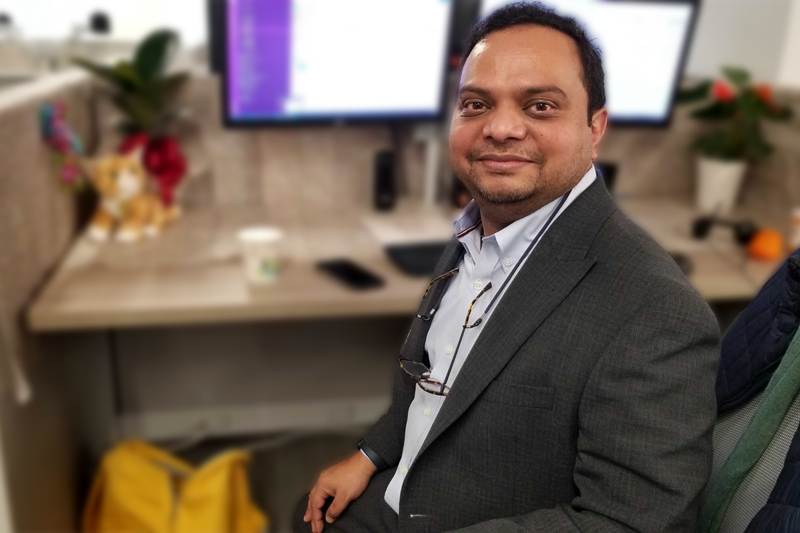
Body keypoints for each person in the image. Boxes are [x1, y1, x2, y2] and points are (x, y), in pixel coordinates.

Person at [295, 3, 720, 532]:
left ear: (595, 128)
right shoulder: (480, 228)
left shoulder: (658, 311)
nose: (499, 128)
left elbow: (631, 523)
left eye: (540, 106)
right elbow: (436, 377)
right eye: (475, 104)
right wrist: (370, 454)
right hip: (396, 493)